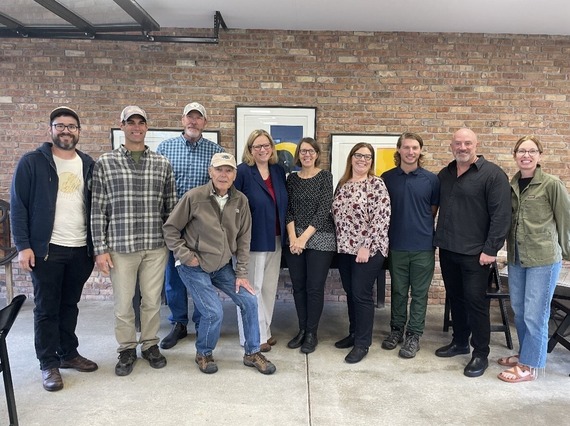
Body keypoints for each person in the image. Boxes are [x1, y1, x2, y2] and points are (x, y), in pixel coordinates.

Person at [162, 152, 276, 375]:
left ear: (235, 174)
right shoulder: (194, 197)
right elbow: (170, 229)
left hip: (222, 266)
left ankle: (252, 352)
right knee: (214, 312)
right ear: (210, 171)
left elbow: (244, 238)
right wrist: (186, 256)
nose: (224, 174)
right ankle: (203, 353)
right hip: (194, 266)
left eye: (229, 170)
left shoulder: (240, 200)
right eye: (219, 169)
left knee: (250, 300)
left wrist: (241, 272)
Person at [10, 106, 98, 392]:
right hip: (47, 249)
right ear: (50, 129)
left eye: (71, 126)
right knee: (47, 308)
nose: (66, 131)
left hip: (80, 248)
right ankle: (48, 363)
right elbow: (18, 207)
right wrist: (23, 246)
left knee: (69, 305)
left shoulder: (87, 163)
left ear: (78, 131)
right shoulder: (32, 162)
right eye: (60, 126)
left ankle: (68, 353)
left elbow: (96, 207)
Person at [91, 106, 176, 377]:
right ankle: (126, 348)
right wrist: (99, 250)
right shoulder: (105, 162)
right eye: (131, 122)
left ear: (146, 127)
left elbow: (170, 208)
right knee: (123, 302)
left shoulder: (162, 163)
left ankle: (150, 344)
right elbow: (97, 209)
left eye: (141, 122)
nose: (136, 127)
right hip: (120, 246)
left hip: (155, 245)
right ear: (122, 126)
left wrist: (173, 243)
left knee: (151, 301)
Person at [434, 128, 511, 378]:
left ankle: (480, 353)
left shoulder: (493, 175)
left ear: (476, 145)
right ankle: (459, 342)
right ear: (451, 146)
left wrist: (491, 250)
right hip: (448, 249)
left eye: (467, 143)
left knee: (476, 303)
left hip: (476, 254)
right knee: (455, 298)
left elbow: (501, 216)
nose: (462, 147)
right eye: (458, 143)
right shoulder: (445, 174)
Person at [497, 135, 570, 383]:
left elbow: (565, 221)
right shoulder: (512, 185)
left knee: (535, 314)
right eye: (521, 151)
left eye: (531, 151)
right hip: (517, 258)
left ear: (540, 155)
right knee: (519, 310)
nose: (526, 155)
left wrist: (568, 253)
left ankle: (531, 366)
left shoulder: (552, 184)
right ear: (515, 154)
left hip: (544, 259)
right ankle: (524, 354)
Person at [156, 102, 224, 350]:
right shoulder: (165, 149)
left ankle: (201, 319)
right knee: (173, 276)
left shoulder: (216, 152)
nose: (193, 122)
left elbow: (221, 188)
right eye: (189, 117)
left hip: (202, 227)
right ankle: (179, 323)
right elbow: (158, 186)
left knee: (200, 276)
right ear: (182, 120)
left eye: (198, 118)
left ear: (205, 122)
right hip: (173, 224)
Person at [381, 132, 439, 358]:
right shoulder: (386, 178)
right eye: (406, 147)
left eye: (415, 147)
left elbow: (432, 211)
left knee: (420, 294)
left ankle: (414, 335)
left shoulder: (431, 180)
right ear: (399, 150)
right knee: (397, 291)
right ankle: (396, 330)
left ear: (420, 151)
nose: (410, 151)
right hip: (396, 245)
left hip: (423, 245)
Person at [331, 143, 391, 363]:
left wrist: (367, 246)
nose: (362, 160)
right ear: (351, 158)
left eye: (367, 157)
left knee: (361, 294)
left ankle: (362, 344)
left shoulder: (376, 184)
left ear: (371, 161)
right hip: (345, 249)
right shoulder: (343, 184)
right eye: (359, 155)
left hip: (369, 248)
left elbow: (381, 218)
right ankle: (354, 333)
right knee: (350, 292)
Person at [234, 129, 287, 352]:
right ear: (250, 150)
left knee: (267, 287)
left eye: (266, 145)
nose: (263, 149)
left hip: (275, 237)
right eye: (257, 146)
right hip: (252, 240)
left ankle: (265, 331)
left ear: (272, 148)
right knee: (250, 289)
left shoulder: (277, 170)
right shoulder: (243, 172)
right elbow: (234, 208)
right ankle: (251, 337)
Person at [284, 137, 336, 354]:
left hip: (320, 237)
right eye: (303, 151)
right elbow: (288, 210)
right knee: (298, 286)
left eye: (311, 151)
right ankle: (302, 329)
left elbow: (324, 209)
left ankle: (312, 333)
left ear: (316, 154)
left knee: (314, 287)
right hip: (295, 239)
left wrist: (303, 239)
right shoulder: (292, 179)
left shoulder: (325, 177)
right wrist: (294, 239)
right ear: (298, 154)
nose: (307, 154)